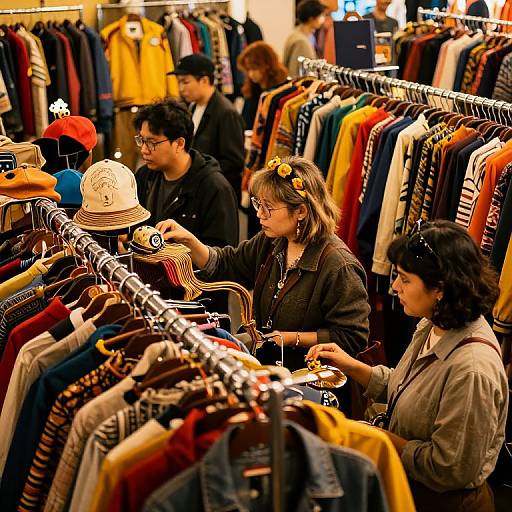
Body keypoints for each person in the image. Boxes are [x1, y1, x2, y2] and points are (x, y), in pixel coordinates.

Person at [307, 219, 509, 512]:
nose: (395, 286)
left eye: (405, 278)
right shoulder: (432, 324)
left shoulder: (472, 370)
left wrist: (376, 437)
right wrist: (350, 365)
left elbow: (450, 468)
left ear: (439, 287)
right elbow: (408, 387)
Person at [156, 155, 370, 371]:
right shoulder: (272, 242)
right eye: (258, 203)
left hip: (310, 380)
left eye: (268, 207)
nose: (259, 213)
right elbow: (226, 263)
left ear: (301, 211)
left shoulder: (339, 266)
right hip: (268, 366)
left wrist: (289, 338)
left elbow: (352, 337)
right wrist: (189, 241)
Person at [133, 98, 238, 249]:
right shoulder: (144, 176)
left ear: (179, 143)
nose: (143, 149)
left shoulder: (214, 188)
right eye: (141, 140)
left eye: (152, 142)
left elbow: (221, 257)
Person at [168, 53, 245, 201]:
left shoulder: (226, 113)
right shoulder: (193, 106)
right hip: (198, 191)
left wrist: (202, 175)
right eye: (179, 83)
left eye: (185, 82)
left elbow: (233, 163)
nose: (181, 88)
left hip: (216, 194)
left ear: (204, 80)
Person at [237, 41, 289, 129]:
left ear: (267, 65)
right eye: (248, 70)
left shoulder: (281, 91)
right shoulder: (252, 90)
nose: (251, 74)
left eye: (254, 69)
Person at [283, 0, 326, 77]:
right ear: (311, 18)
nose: (323, 19)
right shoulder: (301, 41)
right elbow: (295, 72)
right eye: (321, 16)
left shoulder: (306, 35)